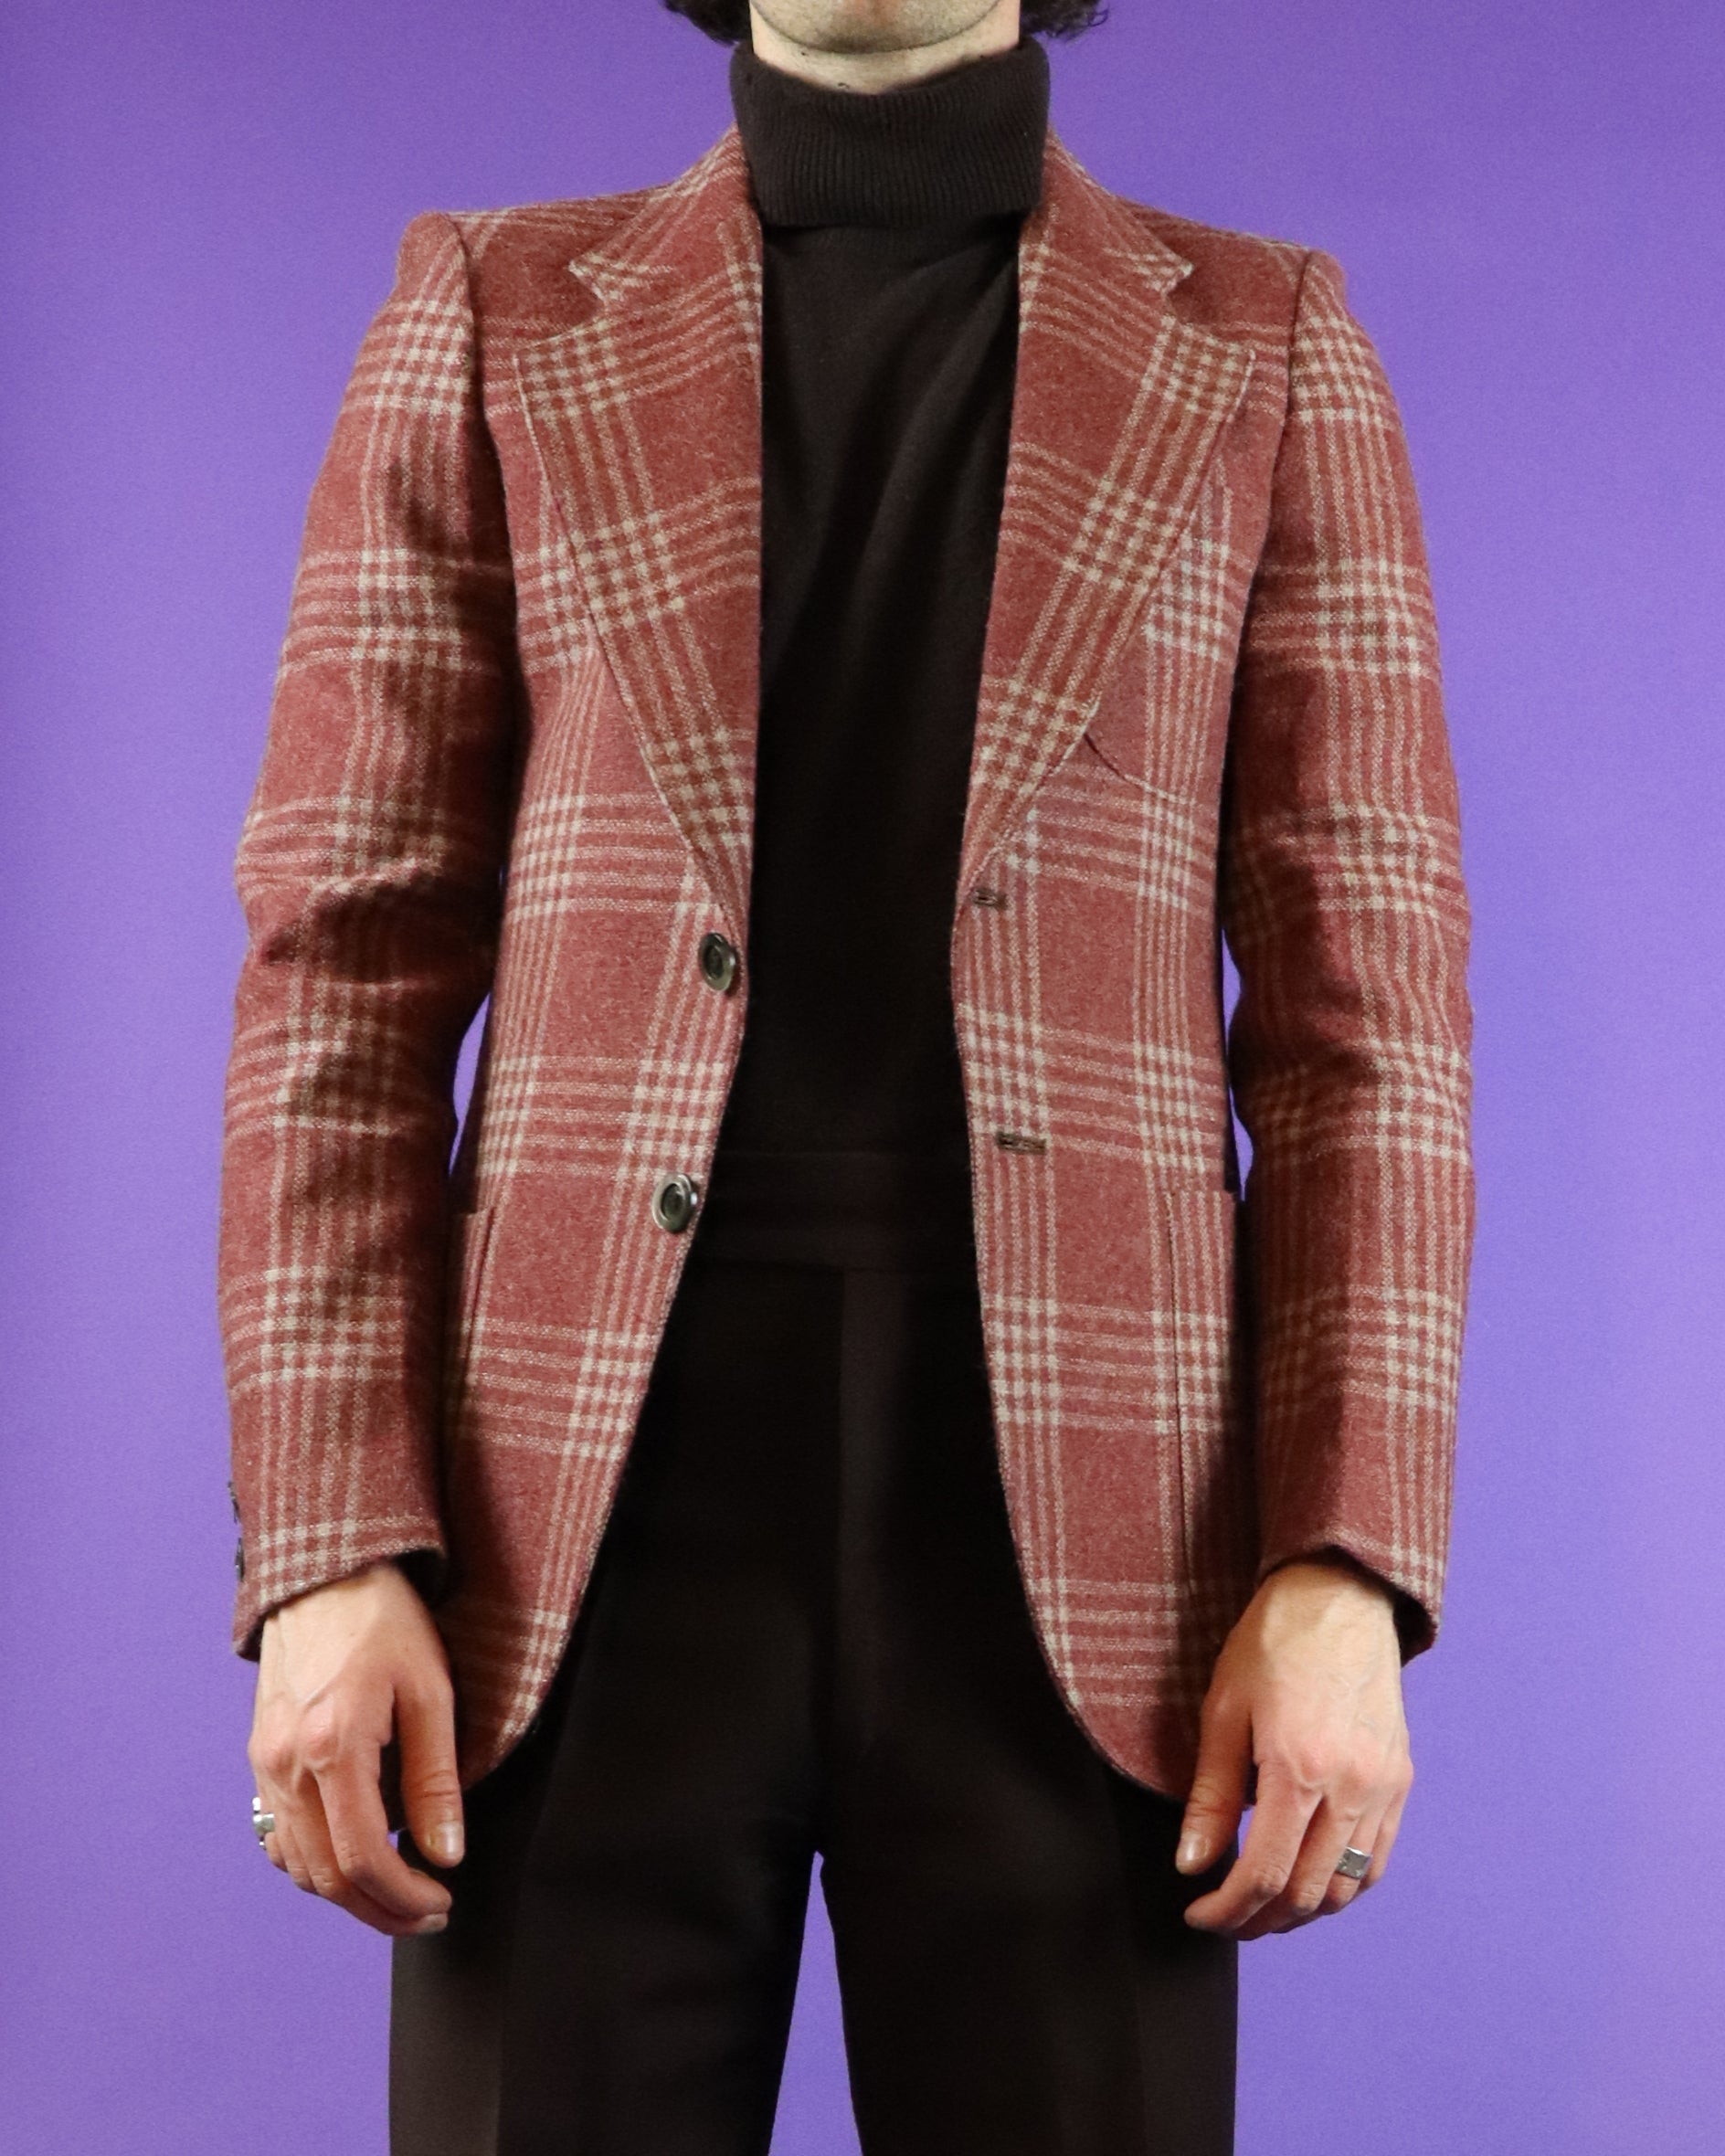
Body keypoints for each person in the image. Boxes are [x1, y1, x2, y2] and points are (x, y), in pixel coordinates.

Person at [219, 2, 1475, 2150]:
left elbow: (1366, 1027)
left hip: (1092, 1535)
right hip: (566, 1533)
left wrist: (1345, 1559)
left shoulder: (1260, 342)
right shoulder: (493, 310)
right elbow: (341, 968)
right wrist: (333, 1541)